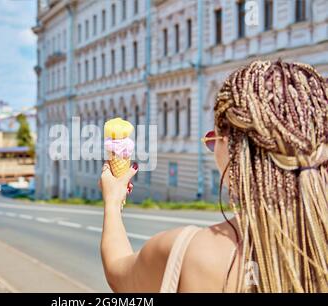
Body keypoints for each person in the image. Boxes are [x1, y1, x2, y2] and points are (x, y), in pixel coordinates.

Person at [99, 60, 328, 293]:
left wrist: (112, 202)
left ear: (229, 147)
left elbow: (118, 273)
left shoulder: (188, 253)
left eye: (212, 140)